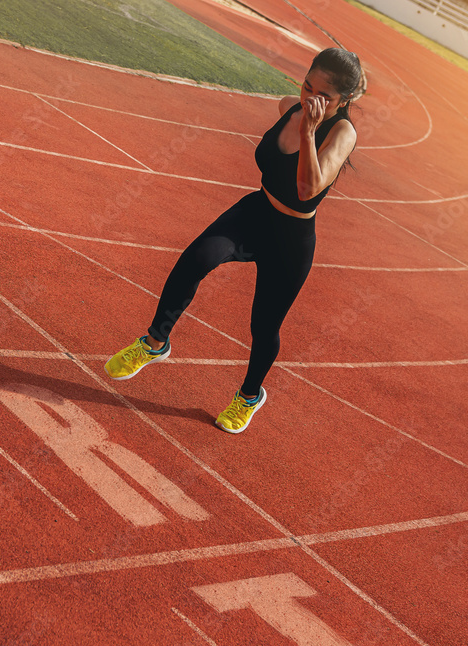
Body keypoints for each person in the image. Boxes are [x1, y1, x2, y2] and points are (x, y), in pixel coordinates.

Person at [105, 48, 363, 434]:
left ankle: (248, 396)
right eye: (307, 86)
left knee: (264, 325)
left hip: (291, 238)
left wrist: (310, 132)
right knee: (196, 258)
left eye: (321, 95)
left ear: (342, 100)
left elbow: (308, 189)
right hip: (256, 213)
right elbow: (284, 123)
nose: (309, 98)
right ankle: (155, 341)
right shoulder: (290, 108)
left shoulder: (342, 133)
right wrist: (301, 118)